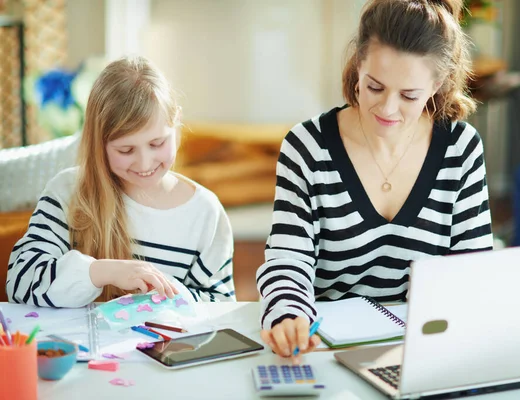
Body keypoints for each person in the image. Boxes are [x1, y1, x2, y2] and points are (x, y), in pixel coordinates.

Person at [257, 0, 493, 359]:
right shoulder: (307, 147)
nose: (387, 109)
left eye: (409, 95)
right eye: (375, 87)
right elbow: (288, 257)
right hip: (321, 348)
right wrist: (289, 314)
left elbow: (471, 270)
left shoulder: (460, 149)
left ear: (438, 84)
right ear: (358, 65)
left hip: (422, 348)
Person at [7, 56, 235, 308]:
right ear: (98, 142)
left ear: (177, 121)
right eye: (126, 150)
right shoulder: (68, 192)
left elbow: (221, 307)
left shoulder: (204, 212)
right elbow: (19, 283)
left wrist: (163, 291)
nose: (144, 163)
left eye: (157, 144)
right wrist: (103, 273)